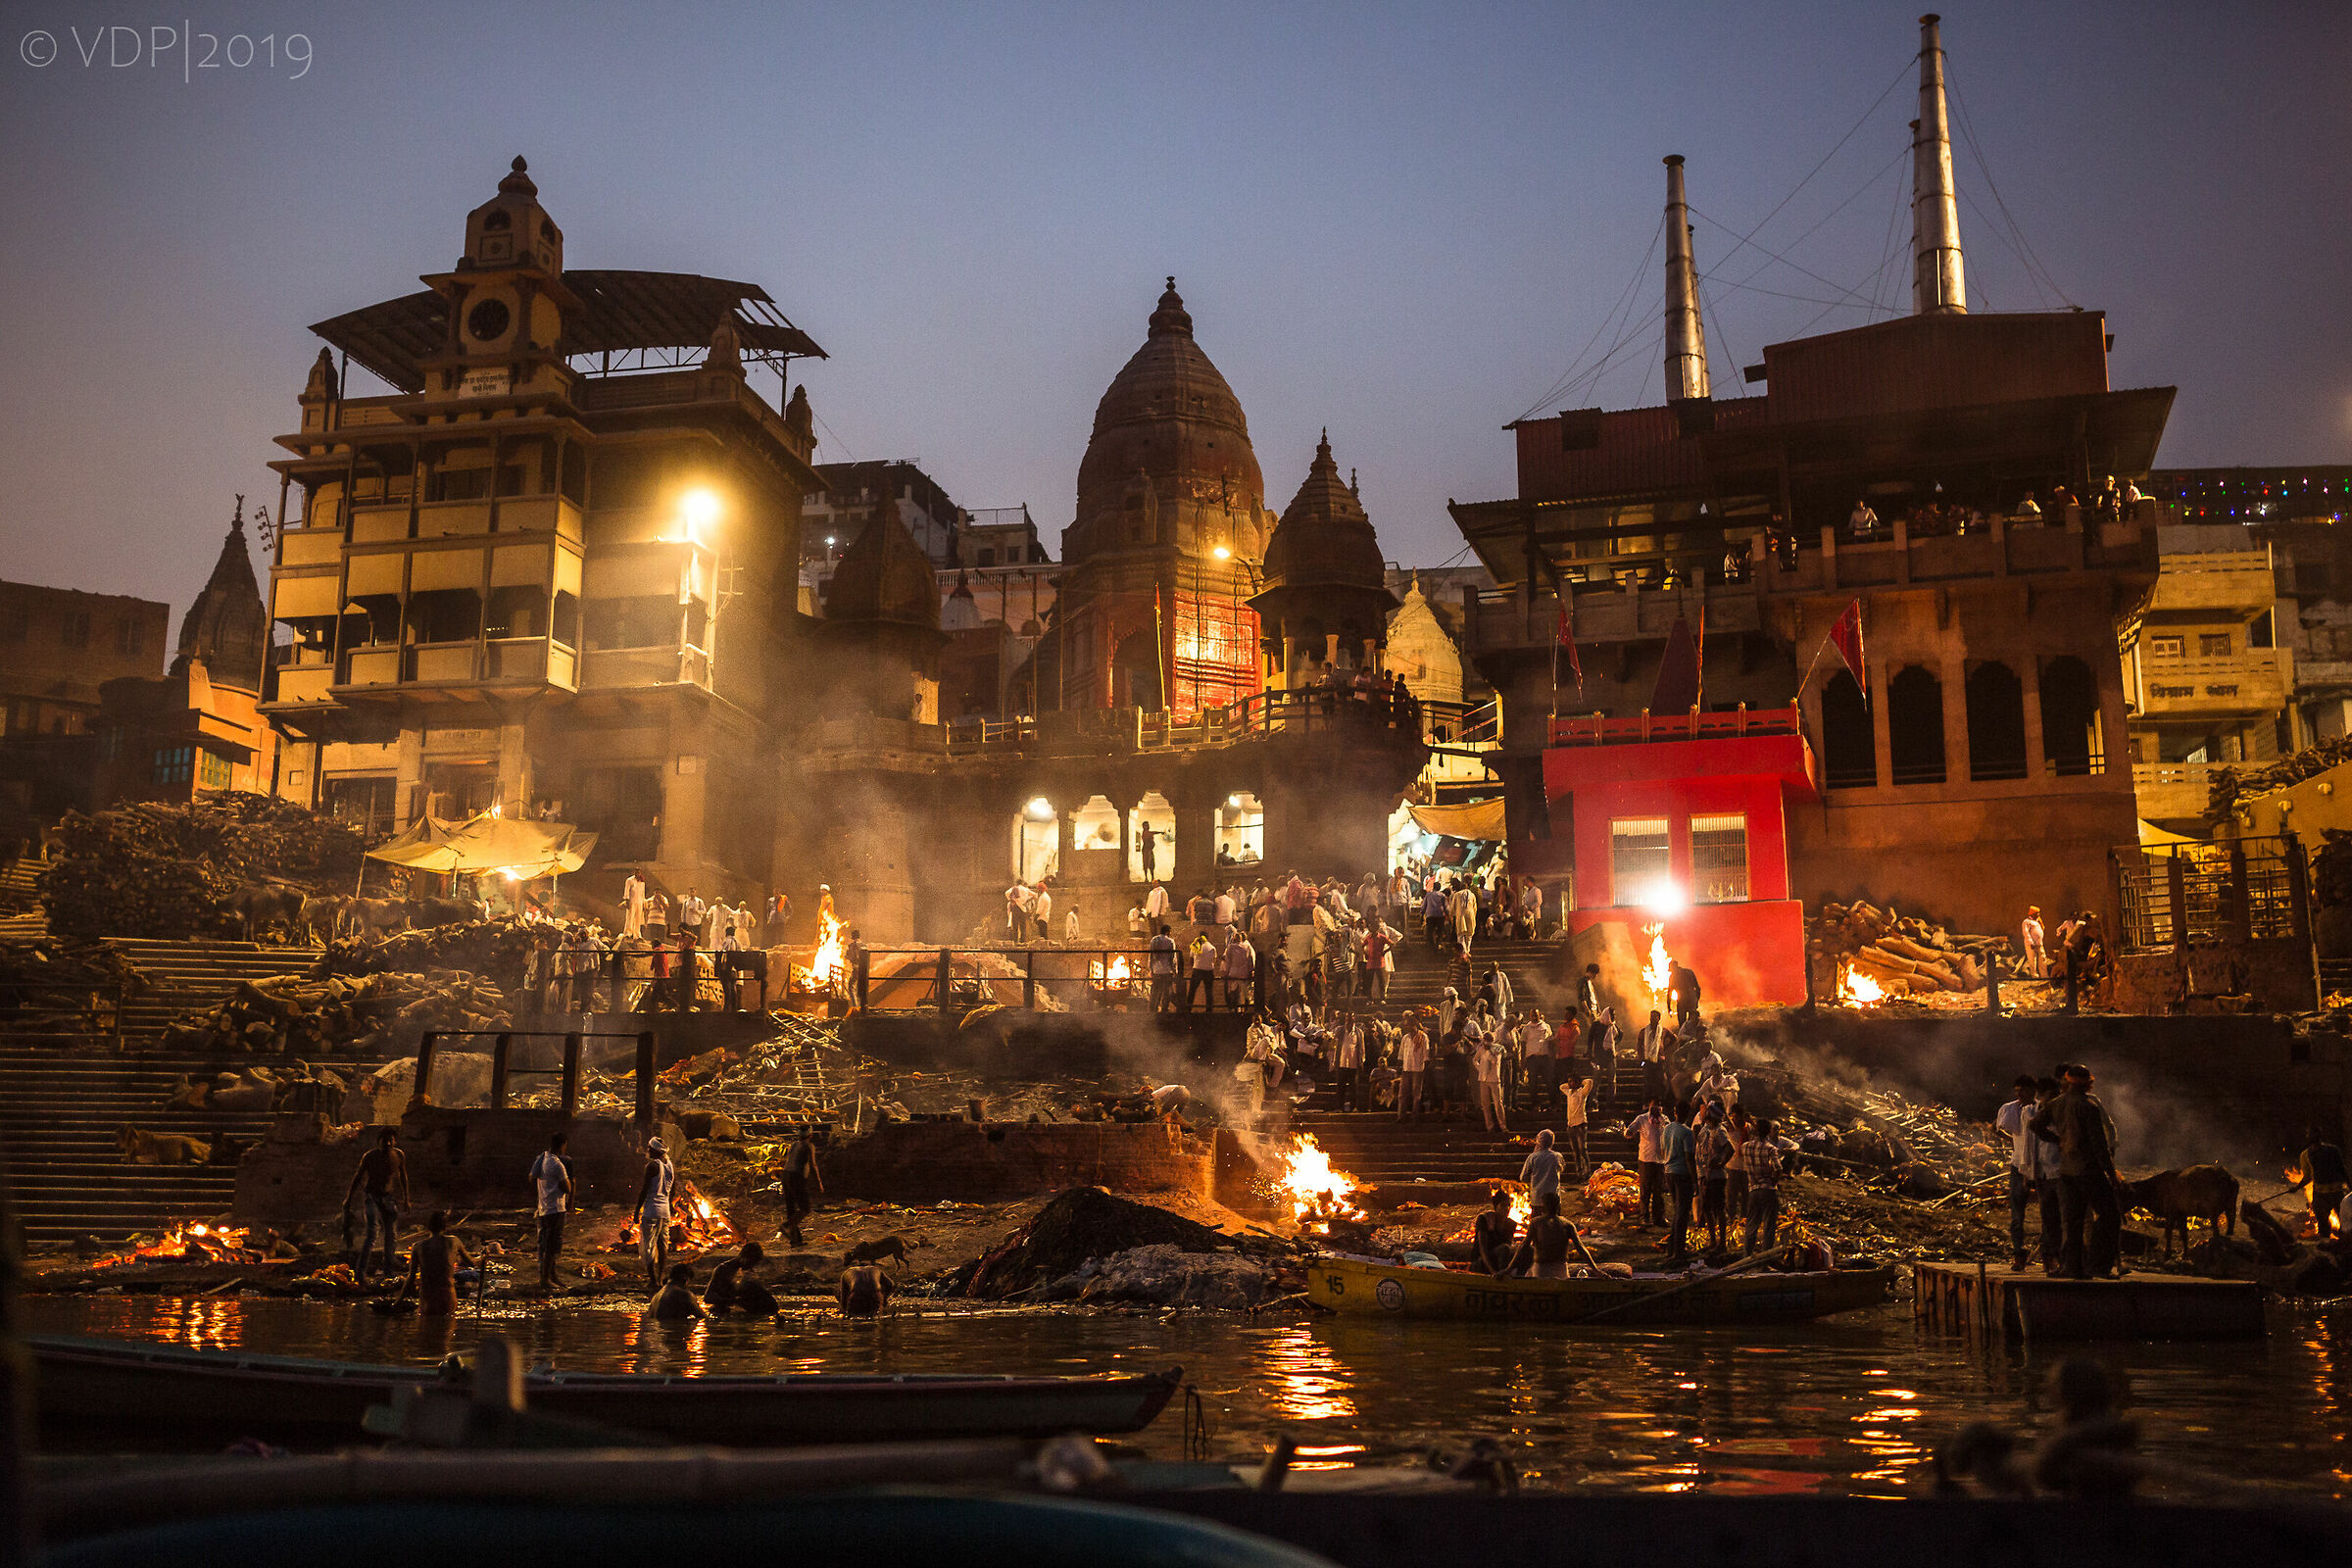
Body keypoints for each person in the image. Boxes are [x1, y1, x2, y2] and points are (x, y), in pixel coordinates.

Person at [2031, 1064, 2124, 1280]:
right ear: (2088, 1084)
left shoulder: (2056, 1104)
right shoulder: (2088, 1107)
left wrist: (2058, 1140)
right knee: (2110, 1216)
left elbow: (2034, 1125)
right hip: (2088, 1171)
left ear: (2067, 1081)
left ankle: (2072, 1267)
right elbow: (2099, 1145)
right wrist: (2111, 1173)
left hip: (2066, 1172)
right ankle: (2098, 1266)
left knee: (2072, 1222)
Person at [1996, 1074, 2051, 1270]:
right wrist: (2014, 1141)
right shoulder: (2010, 1108)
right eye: (2017, 1091)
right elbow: (1998, 1128)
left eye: (2024, 1091)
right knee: (2017, 1214)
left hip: (2041, 1165)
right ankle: (2018, 1254)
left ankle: (2047, 1255)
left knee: (2047, 1212)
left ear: (2033, 1091)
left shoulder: (2041, 1109)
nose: (2020, 1094)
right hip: (2019, 1164)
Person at [346, 1127, 410, 1281]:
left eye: (390, 1140)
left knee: (391, 1236)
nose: (387, 1143)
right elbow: (358, 1176)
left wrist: (407, 1199)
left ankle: (388, 1272)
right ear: (378, 1141)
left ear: (394, 1141)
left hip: (388, 1198)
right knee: (372, 1233)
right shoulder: (370, 1156)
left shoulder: (398, 1155)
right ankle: (360, 1273)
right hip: (372, 1197)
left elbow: (403, 1177)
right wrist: (349, 1198)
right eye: (384, 1140)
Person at [1516, 1193, 1599, 1280]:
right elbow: (1581, 1249)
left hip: (1545, 1269)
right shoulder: (1567, 1224)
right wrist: (1596, 1270)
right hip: (1556, 1269)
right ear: (1558, 1207)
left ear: (1543, 1207)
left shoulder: (1537, 1223)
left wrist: (1509, 1269)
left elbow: (1523, 1246)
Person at [403, 1209, 470, 1315]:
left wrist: (397, 1302)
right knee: (447, 1321)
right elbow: (471, 1263)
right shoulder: (454, 1241)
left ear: (428, 1227)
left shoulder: (417, 1246)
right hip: (447, 1297)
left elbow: (411, 1277)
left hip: (427, 1300)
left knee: (427, 1323)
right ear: (445, 1227)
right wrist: (483, 1258)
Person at [529, 1132, 574, 1291]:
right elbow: (567, 1188)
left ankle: (552, 1276)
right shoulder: (556, 1165)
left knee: (548, 1245)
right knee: (551, 1246)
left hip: (543, 1208)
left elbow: (531, 1178)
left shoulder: (542, 1159)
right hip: (555, 1209)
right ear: (561, 1145)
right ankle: (545, 1279)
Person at [2289, 1127, 2349, 1243]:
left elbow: (2342, 1170)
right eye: (2309, 1134)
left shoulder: (2333, 1151)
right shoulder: (2305, 1155)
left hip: (2337, 1194)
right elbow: (2308, 1177)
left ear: (2320, 1135)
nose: (2311, 1136)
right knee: (2323, 1228)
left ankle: (2344, 1246)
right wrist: (2296, 1188)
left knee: (2345, 1225)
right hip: (2320, 1195)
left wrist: (2350, 1188)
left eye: (2314, 1134)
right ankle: (2326, 1246)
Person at [636, 1136, 677, 1290]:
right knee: (662, 1246)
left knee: (648, 1246)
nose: (647, 1151)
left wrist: (636, 1210)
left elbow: (644, 1190)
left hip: (651, 1211)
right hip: (665, 1212)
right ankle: (660, 1278)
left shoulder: (651, 1166)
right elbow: (672, 1190)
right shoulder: (671, 1166)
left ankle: (653, 1280)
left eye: (649, 1148)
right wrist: (669, 1205)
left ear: (655, 1150)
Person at [1694, 1103, 1734, 1254]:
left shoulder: (1719, 1130)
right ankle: (1713, 1242)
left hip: (1716, 1176)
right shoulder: (1705, 1129)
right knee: (1707, 1209)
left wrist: (1721, 1163)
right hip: (1705, 1175)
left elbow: (1730, 1148)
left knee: (1718, 1209)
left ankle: (1722, 1243)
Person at [1661, 1105, 1697, 1264]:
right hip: (1682, 1173)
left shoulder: (1667, 1129)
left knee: (1678, 1211)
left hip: (1669, 1171)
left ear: (1675, 1113)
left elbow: (1663, 1150)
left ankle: (1671, 1248)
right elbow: (1689, 1157)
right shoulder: (1687, 1132)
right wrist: (1695, 1179)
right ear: (1688, 1114)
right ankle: (1678, 1251)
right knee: (1682, 1213)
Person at [1744, 1118, 1785, 1256]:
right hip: (1767, 1189)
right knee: (1769, 1225)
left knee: (1751, 1224)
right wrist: (1773, 1181)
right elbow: (1778, 1168)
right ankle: (1765, 1257)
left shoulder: (1745, 1147)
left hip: (1753, 1189)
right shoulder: (1770, 1148)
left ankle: (1747, 1255)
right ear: (1768, 1132)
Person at [1630, 1098, 1670, 1227]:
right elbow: (1630, 1130)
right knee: (1645, 1191)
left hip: (1660, 1160)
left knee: (1659, 1191)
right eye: (1655, 1105)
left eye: (1659, 1106)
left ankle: (1659, 1217)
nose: (1657, 1108)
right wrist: (1628, 1132)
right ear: (1649, 1106)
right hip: (1646, 1160)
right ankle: (1644, 1217)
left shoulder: (1664, 1120)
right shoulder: (1641, 1119)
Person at [781, 1125, 823, 1248]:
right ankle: (786, 1226)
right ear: (811, 1135)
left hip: (786, 1175)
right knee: (805, 1208)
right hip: (796, 1177)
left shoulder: (794, 1144)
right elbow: (813, 1164)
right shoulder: (809, 1146)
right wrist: (819, 1182)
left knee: (791, 1209)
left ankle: (795, 1241)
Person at [706, 1242, 768, 1311]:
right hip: (721, 1311)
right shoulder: (723, 1270)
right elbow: (708, 1297)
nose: (751, 1266)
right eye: (750, 1263)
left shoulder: (748, 1272)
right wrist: (734, 1301)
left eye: (754, 1264)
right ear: (743, 1257)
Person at [1519, 1127, 1565, 1214]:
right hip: (1554, 1199)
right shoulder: (1557, 1157)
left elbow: (1523, 1177)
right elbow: (1561, 1169)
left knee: (1537, 1221)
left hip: (1537, 1199)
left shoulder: (1532, 1157)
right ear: (1552, 1142)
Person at [1472, 1190, 1517, 1276]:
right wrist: (1494, 1273)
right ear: (1496, 1207)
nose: (1506, 1209)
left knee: (1528, 1250)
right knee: (1504, 1248)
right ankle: (1502, 1276)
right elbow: (1483, 1250)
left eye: (1508, 1205)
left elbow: (1509, 1246)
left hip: (1500, 1259)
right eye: (1503, 1205)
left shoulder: (1511, 1224)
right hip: (1482, 1262)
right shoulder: (1484, 1220)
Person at [1633, 1009, 1673, 1104]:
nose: (1652, 1019)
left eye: (1655, 1016)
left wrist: (1665, 1047)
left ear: (1659, 1018)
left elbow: (1674, 1038)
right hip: (1647, 1060)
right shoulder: (1644, 1031)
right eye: (1651, 1016)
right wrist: (1641, 1058)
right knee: (1648, 1081)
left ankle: (1659, 1100)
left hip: (1659, 1059)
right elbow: (1639, 1046)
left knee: (1660, 1081)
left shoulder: (1663, 1030)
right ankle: (1647, 1101)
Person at [1560, 1067, 1593, 1178]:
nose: (1570, 1083)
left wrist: (1580, 1083)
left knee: (1583, 1150)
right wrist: (1570, 1084)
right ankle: (1579, 1174)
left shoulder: (1582, 1092)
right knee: (1576, 1152)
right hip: (1570, 1125)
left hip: (1580, 1125)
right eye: (1569, 1081)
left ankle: (1587, 1173)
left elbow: (1590, 1082)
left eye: (1572, 1081)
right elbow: (1561, 1087)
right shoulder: (1569, 1092)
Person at [1471, 1031, 1507, 1133]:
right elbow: (1474, 1060)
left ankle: (1503, 1126)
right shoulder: (1481, 1049)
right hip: (1483, 1079)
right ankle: (1489, 1126)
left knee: (1498, 1103)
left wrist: (1489, 1051)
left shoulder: (1498, 1049)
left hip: (1494, 1079)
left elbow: (1495, 1061)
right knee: (1485, 1104)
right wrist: (1480, 1069)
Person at [1397, 1015, 1430, 1120]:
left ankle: (1414, 1116)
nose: (1407, 1027)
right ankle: (1401, 1116)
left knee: (1416, 1094)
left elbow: (1426, 1055)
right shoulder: (1405, 1038)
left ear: (1414, 1025)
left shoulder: (1423, 1037)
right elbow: (1401, 1054)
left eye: (1408, 1025)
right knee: (1402, 1094)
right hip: (1406, 1068)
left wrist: (1424, 1067)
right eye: (1406, 1025)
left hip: (1418, 1069)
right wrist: (1400, 1066)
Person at [1148, 923, 1179, 1011]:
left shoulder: (1154, 940)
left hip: (1156, 970)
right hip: (1167, 971)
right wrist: (1175, 971)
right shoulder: (1170, 941)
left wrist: (1150, 969)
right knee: (1166, 992)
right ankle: (1164, 1009)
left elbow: (1151, 956)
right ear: (1167, 932)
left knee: (1155, 991)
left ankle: (1153, 1009)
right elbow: (1173, 958)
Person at [1185, 929, 1219, 1010]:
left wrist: (1194, 967)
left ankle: (1188, 1009)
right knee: (1209, 991)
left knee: (1192, 990)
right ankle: (1209, 1010)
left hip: (1197, 969)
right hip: (1209, 970)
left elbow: (1191, 959)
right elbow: (1214, 960)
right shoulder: (1212, 947)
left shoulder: (1195, 946)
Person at [1221, 930, 1254, 1009]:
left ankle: (1235, 1010)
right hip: (1244, 973)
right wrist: (1251, 971)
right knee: (1246, 994)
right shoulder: (1247, 947)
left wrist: (1227, 972)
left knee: (1233, 991)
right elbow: (1250, 960)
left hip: (1233, 973)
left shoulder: (1230, 947)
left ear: (1234, 939)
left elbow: (1228, 961)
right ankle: (1245, 1009)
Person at [2021, 906, 2047, 980]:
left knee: (2042, 959)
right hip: (2031, 945)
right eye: (2037, 913)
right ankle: (2035, 976)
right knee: (2032, 961)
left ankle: (2044, 976)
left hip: (2039, 944)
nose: (2038, 915)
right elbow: (2026, 933)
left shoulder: (2037, 922)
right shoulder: (2026, 922)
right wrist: (2031, 943)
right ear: (2032, 914)